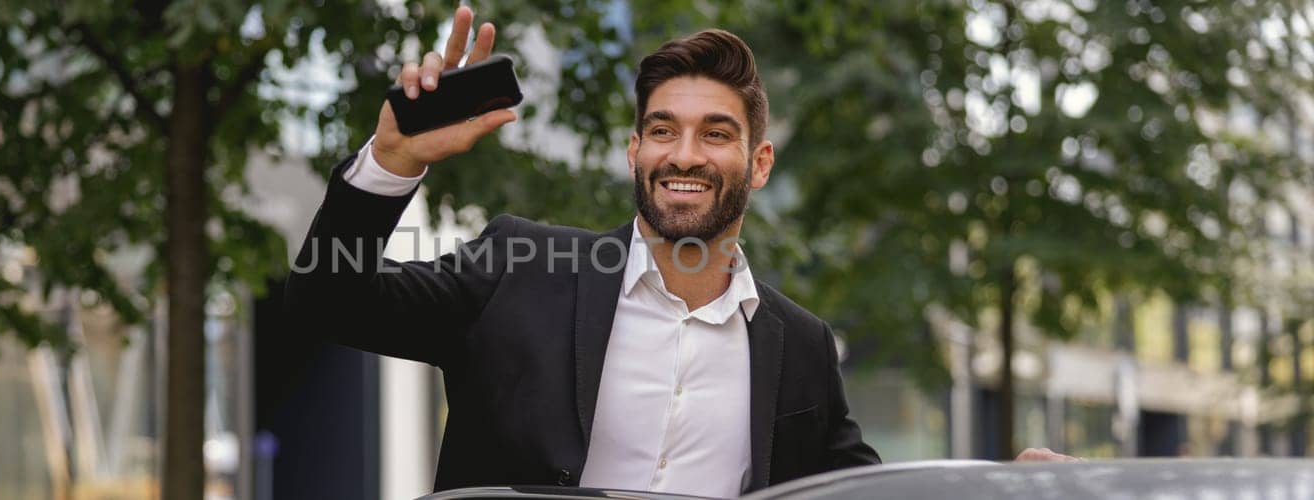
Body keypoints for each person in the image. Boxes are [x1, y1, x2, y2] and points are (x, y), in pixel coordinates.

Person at [286, 6, 1072, 498]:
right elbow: (328, 301)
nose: (684, 153)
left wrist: (999, 488)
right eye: (663, 129)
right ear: (634, 152)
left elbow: (855, 493)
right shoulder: (521, 267)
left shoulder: (797, 346)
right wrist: (392, 162)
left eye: (717, 133)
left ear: (759, 164)